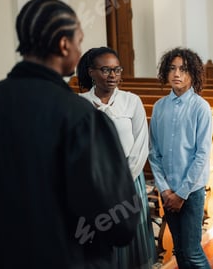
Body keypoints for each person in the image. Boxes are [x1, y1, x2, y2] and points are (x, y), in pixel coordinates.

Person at [0, 0, 138, 268]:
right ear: (64, 44)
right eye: (79, 41)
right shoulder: (81, 118)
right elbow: (121, 223)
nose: (79, 49)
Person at [76, 47, 157, 269]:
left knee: (129, 244)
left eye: (116, 70)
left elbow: (141, 145)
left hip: (128, 181)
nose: (113, 75)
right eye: (105, 70)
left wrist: (121, 183)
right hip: (93, 186)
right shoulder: (80, 104)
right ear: (91, 72)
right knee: (98, 244)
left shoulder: (132, 101)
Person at [148, 47, 212, 269]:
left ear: (193, 73)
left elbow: (202, 155)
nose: (177, 74)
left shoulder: (200, 108)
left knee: (193, 252)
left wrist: (181, 193)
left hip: (190, 192)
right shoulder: (159, 107)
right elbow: (154, 153)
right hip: (168, 191)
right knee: (180, 251)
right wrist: (165, 190)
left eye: (183, 69)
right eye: (172, 68)